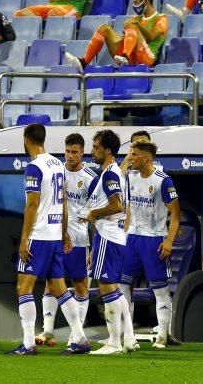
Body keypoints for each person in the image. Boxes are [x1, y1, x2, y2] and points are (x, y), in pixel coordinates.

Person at [5, 124, 91, 355]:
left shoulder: (34, 167)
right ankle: (81, 338)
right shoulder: (56, 164)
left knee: (24, 287)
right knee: (59, 287)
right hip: (54, 234)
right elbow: (62, 201)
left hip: (39, 235)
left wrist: (24, 239)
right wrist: (63, 233)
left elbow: (32, 204)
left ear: (25, 140)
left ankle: (28, 343)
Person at [34, 133, 96, 348]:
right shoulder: (56, 170)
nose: (70, 156)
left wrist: (94, 247)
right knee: (51, 283)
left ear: (82, 152)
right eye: (67, 151)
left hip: (78, 238)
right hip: (54, 236)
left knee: (80, 285)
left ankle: (76, 334)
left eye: (75, 152)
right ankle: (48, 330)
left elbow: (97, 213)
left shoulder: (90, 178)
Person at [121, 141, 180, 349]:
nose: (130, 158)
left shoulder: (163, 181)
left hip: (155, 239)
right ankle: (127, 335)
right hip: (133, 238)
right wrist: (124, 235)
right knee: (122, 286)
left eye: (134, 155)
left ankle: (163, 336)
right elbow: (128, 208)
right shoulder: (131, 177)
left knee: (160, 290)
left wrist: (169, 241)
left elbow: (175, 214)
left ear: (146, 159)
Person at [84, 130, 134, 355]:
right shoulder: (112, 173)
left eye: (96, 147)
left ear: (108, 150)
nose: (92, 151)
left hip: (109, 236)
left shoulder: (111, 175)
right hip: (110, 237)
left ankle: (114, 342)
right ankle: (127, 338)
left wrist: (94, 212)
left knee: (106, 288)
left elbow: (117, 206)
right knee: (113, 288)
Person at [64, 0, 168, 71]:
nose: (134, 6)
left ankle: (125, 56)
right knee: (104, 28)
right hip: (133, 56)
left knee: (132, 25)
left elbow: (151, 37)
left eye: (136, 3)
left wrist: (136, 26)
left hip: (147, 58)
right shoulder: (137, 18)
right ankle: (84, 62)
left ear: (146, 3)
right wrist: (127, 35)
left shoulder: (161, 18)